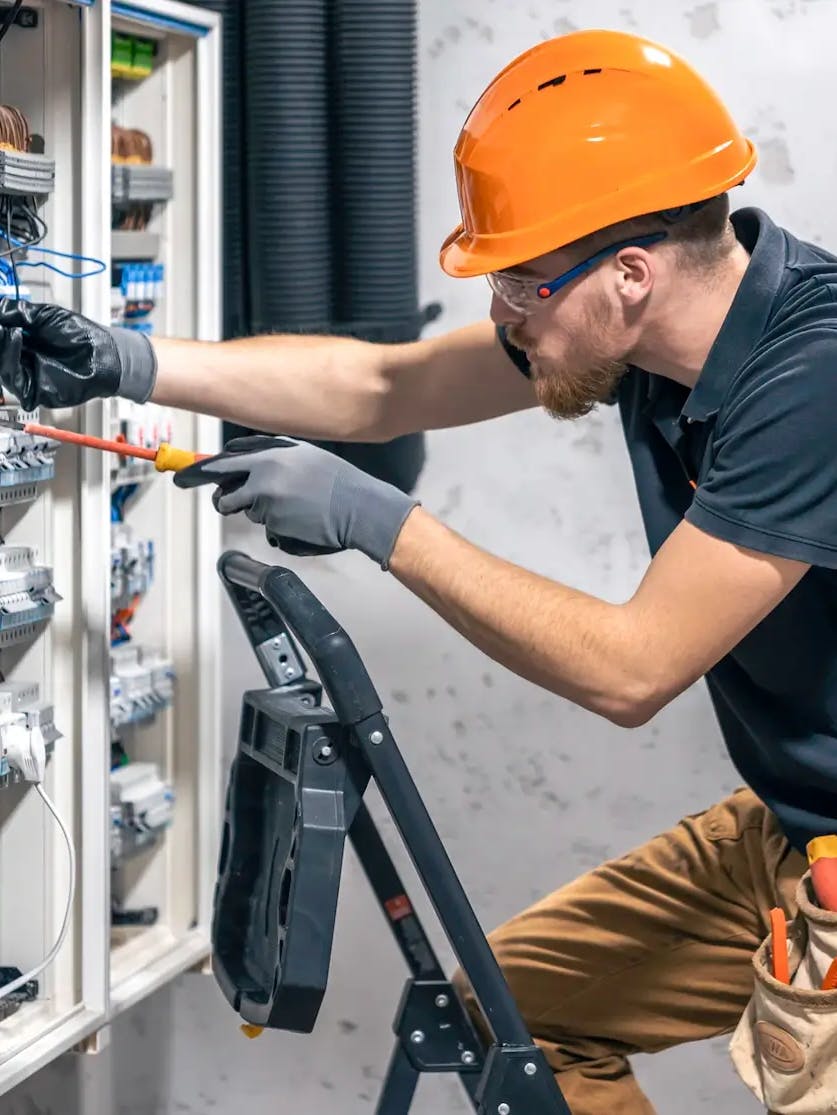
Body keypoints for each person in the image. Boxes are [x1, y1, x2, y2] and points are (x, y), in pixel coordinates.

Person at [0, 26, 833, 1114]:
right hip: (790, 812)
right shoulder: (650, 333)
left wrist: (373, 515)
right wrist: (126, 360)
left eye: (523, 284)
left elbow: (633, 667)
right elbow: (383, 389)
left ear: (630, 274)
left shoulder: (811, 379)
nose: (503, 313)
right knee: (509, 1007)